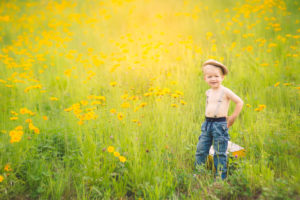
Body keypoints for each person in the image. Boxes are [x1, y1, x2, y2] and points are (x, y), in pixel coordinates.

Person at [195, 59, 244, 180]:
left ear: (222, 77)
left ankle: (220, 177)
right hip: (207, 124)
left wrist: (232, 117)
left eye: (216, 76)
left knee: (219, 152)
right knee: (201, 149)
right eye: (209, 76)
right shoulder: (208, 92)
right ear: (205, 79)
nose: (213, 79)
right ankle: (200, 172)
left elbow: (239, 102)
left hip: (220, 124)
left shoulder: (225, 91)